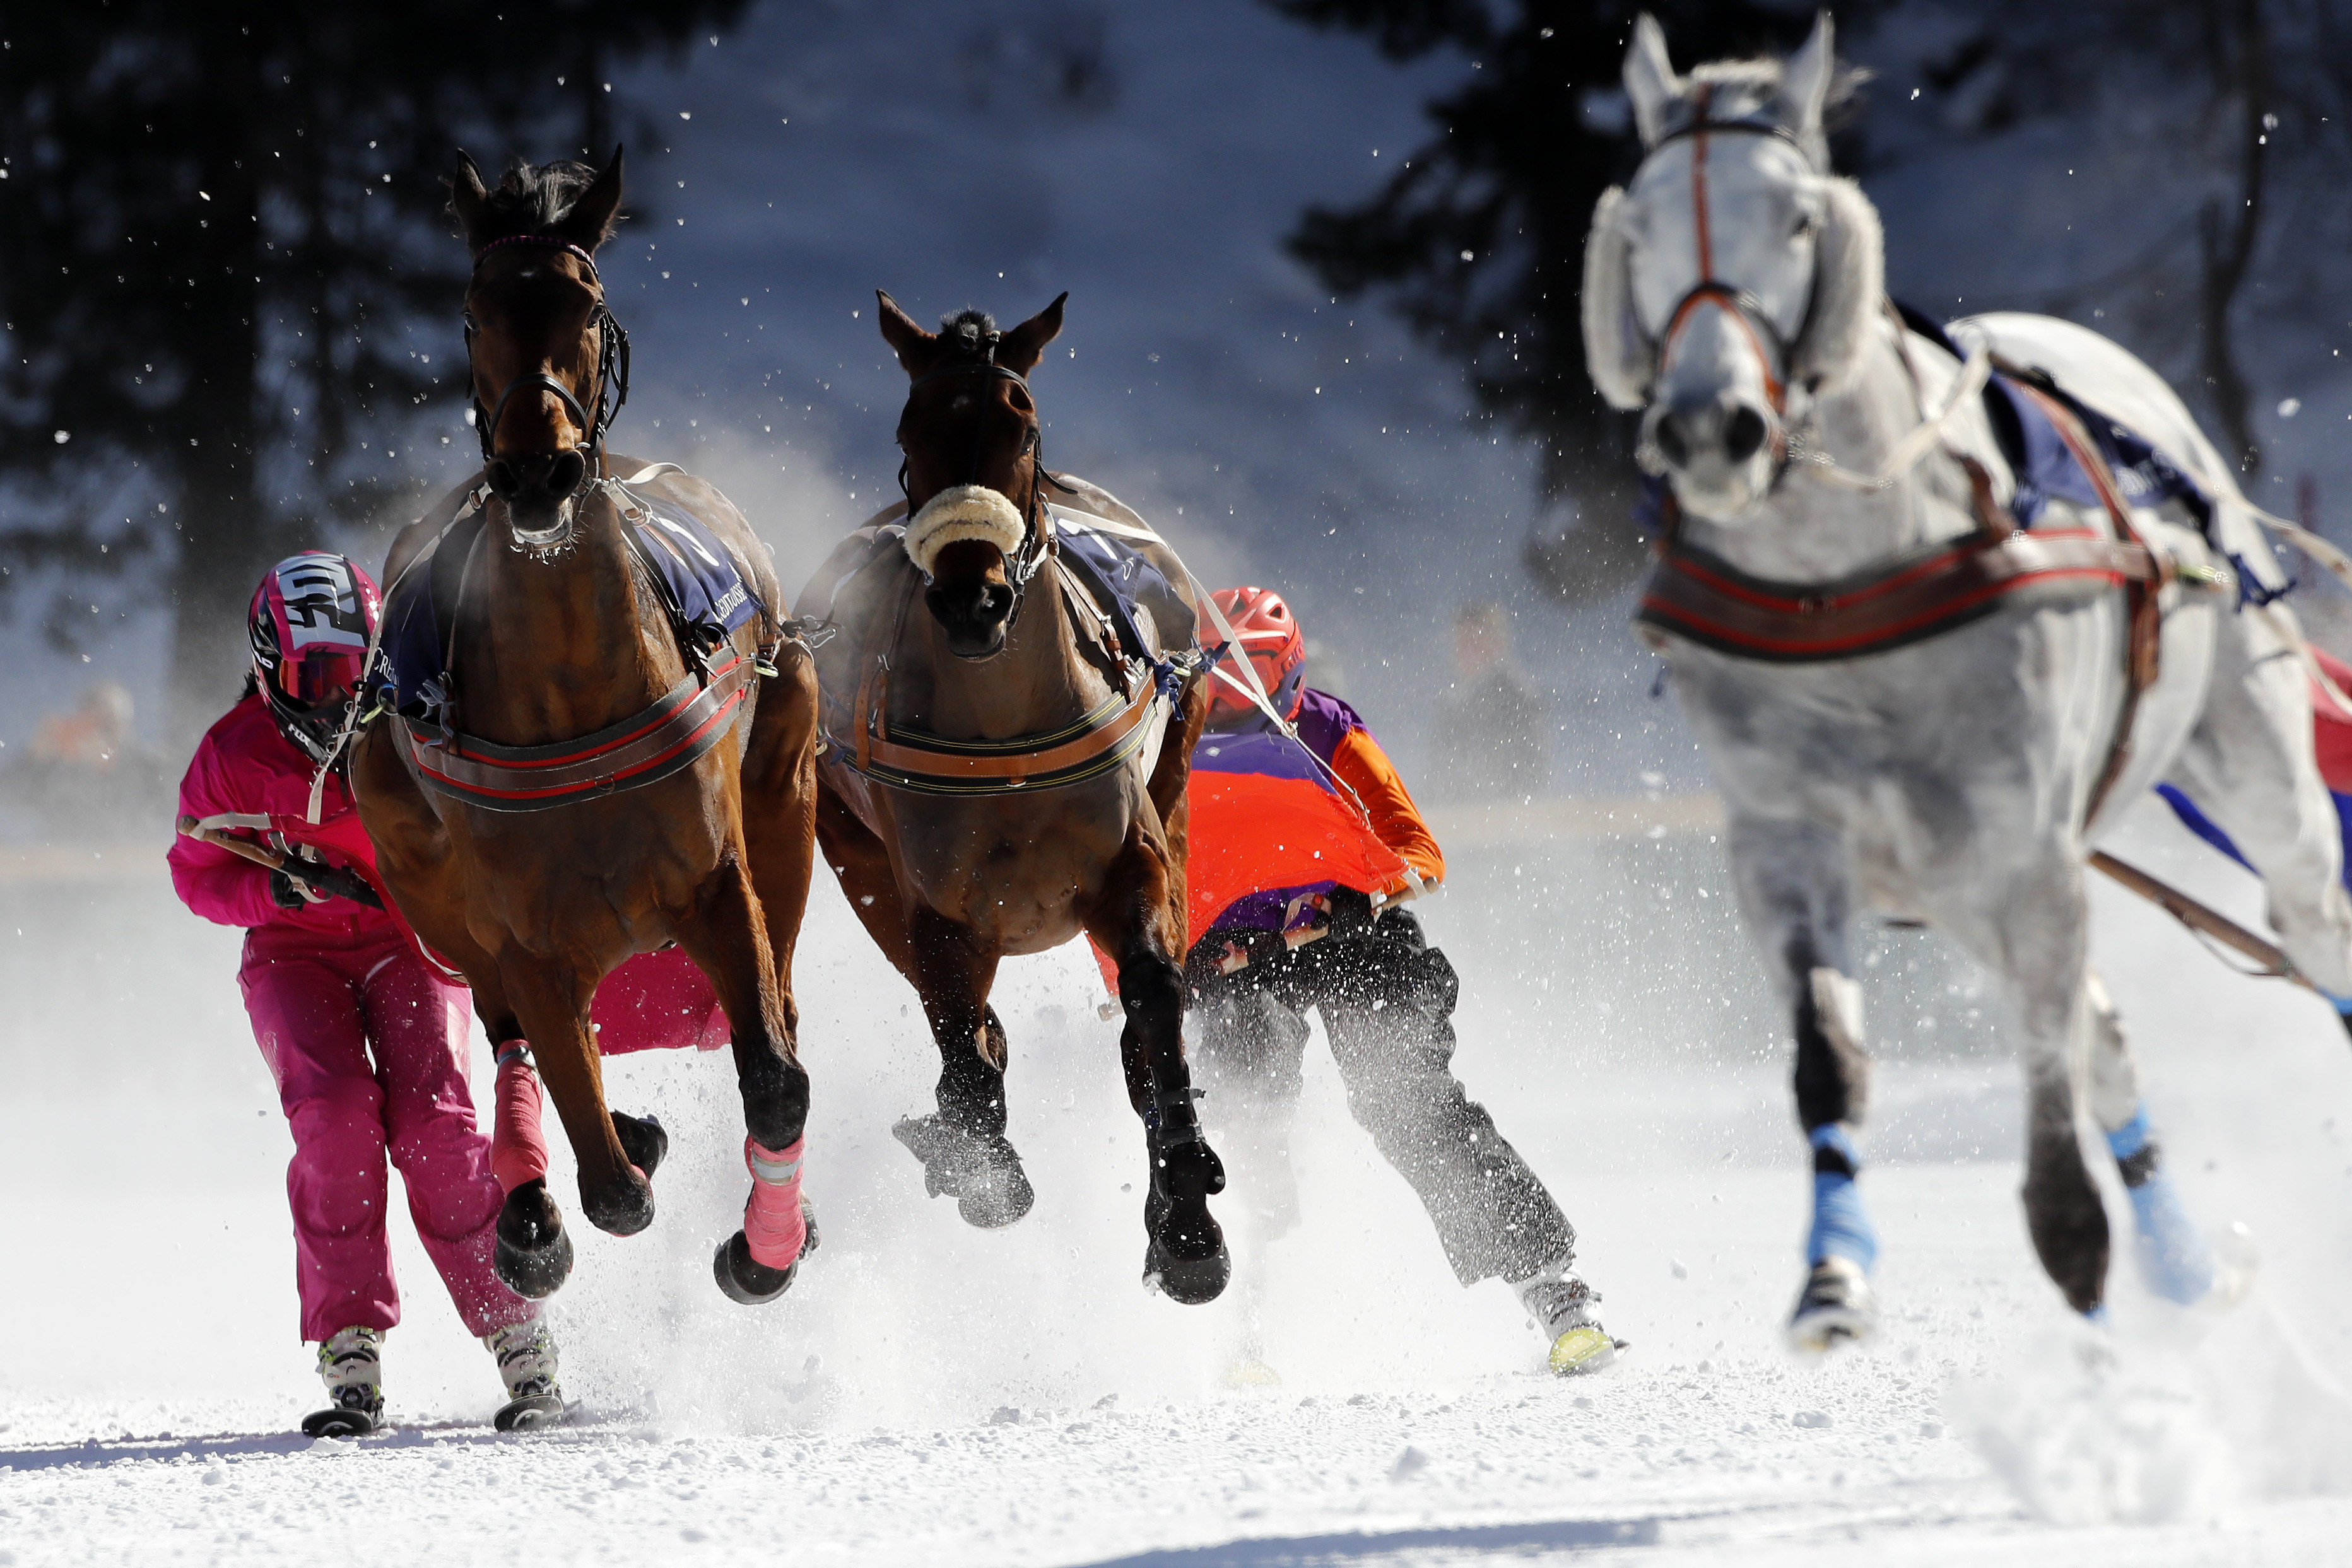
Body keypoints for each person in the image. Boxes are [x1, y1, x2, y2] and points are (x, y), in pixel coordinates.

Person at [166, 551, 561, 1436]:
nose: (340, 698)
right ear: (270, 667)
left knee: (434, 1123)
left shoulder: (418, 727)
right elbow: (194, 872)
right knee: (337, 1118)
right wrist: (276, 891)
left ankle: (517, 1332)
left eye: (356, 669)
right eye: (317, 675)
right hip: (293, 958)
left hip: (407, 943)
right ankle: (350, 1343)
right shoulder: (232, 756)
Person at [1183, 586, 1621, 1374]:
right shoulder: (1171, 739)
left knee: (1407, 1103)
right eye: (1219, 675)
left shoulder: (1326, 729)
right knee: (1242, 1119)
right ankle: (1241, 1325)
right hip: (1241, 955)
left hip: (1355, 939)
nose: (1232, 696)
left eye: (1253, 672)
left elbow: (1419, 852)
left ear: (1287, 670)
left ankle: (1557, 1295)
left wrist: (1359, 898)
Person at [1432, 600, 1548, 800]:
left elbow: (1527, 774)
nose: (1465, 651)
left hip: (1502, 812)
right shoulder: (1454, 701)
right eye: (1461, 643)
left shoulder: (1515, 698)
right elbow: (1439, 773)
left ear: (1497, 646)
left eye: (1474, 643)